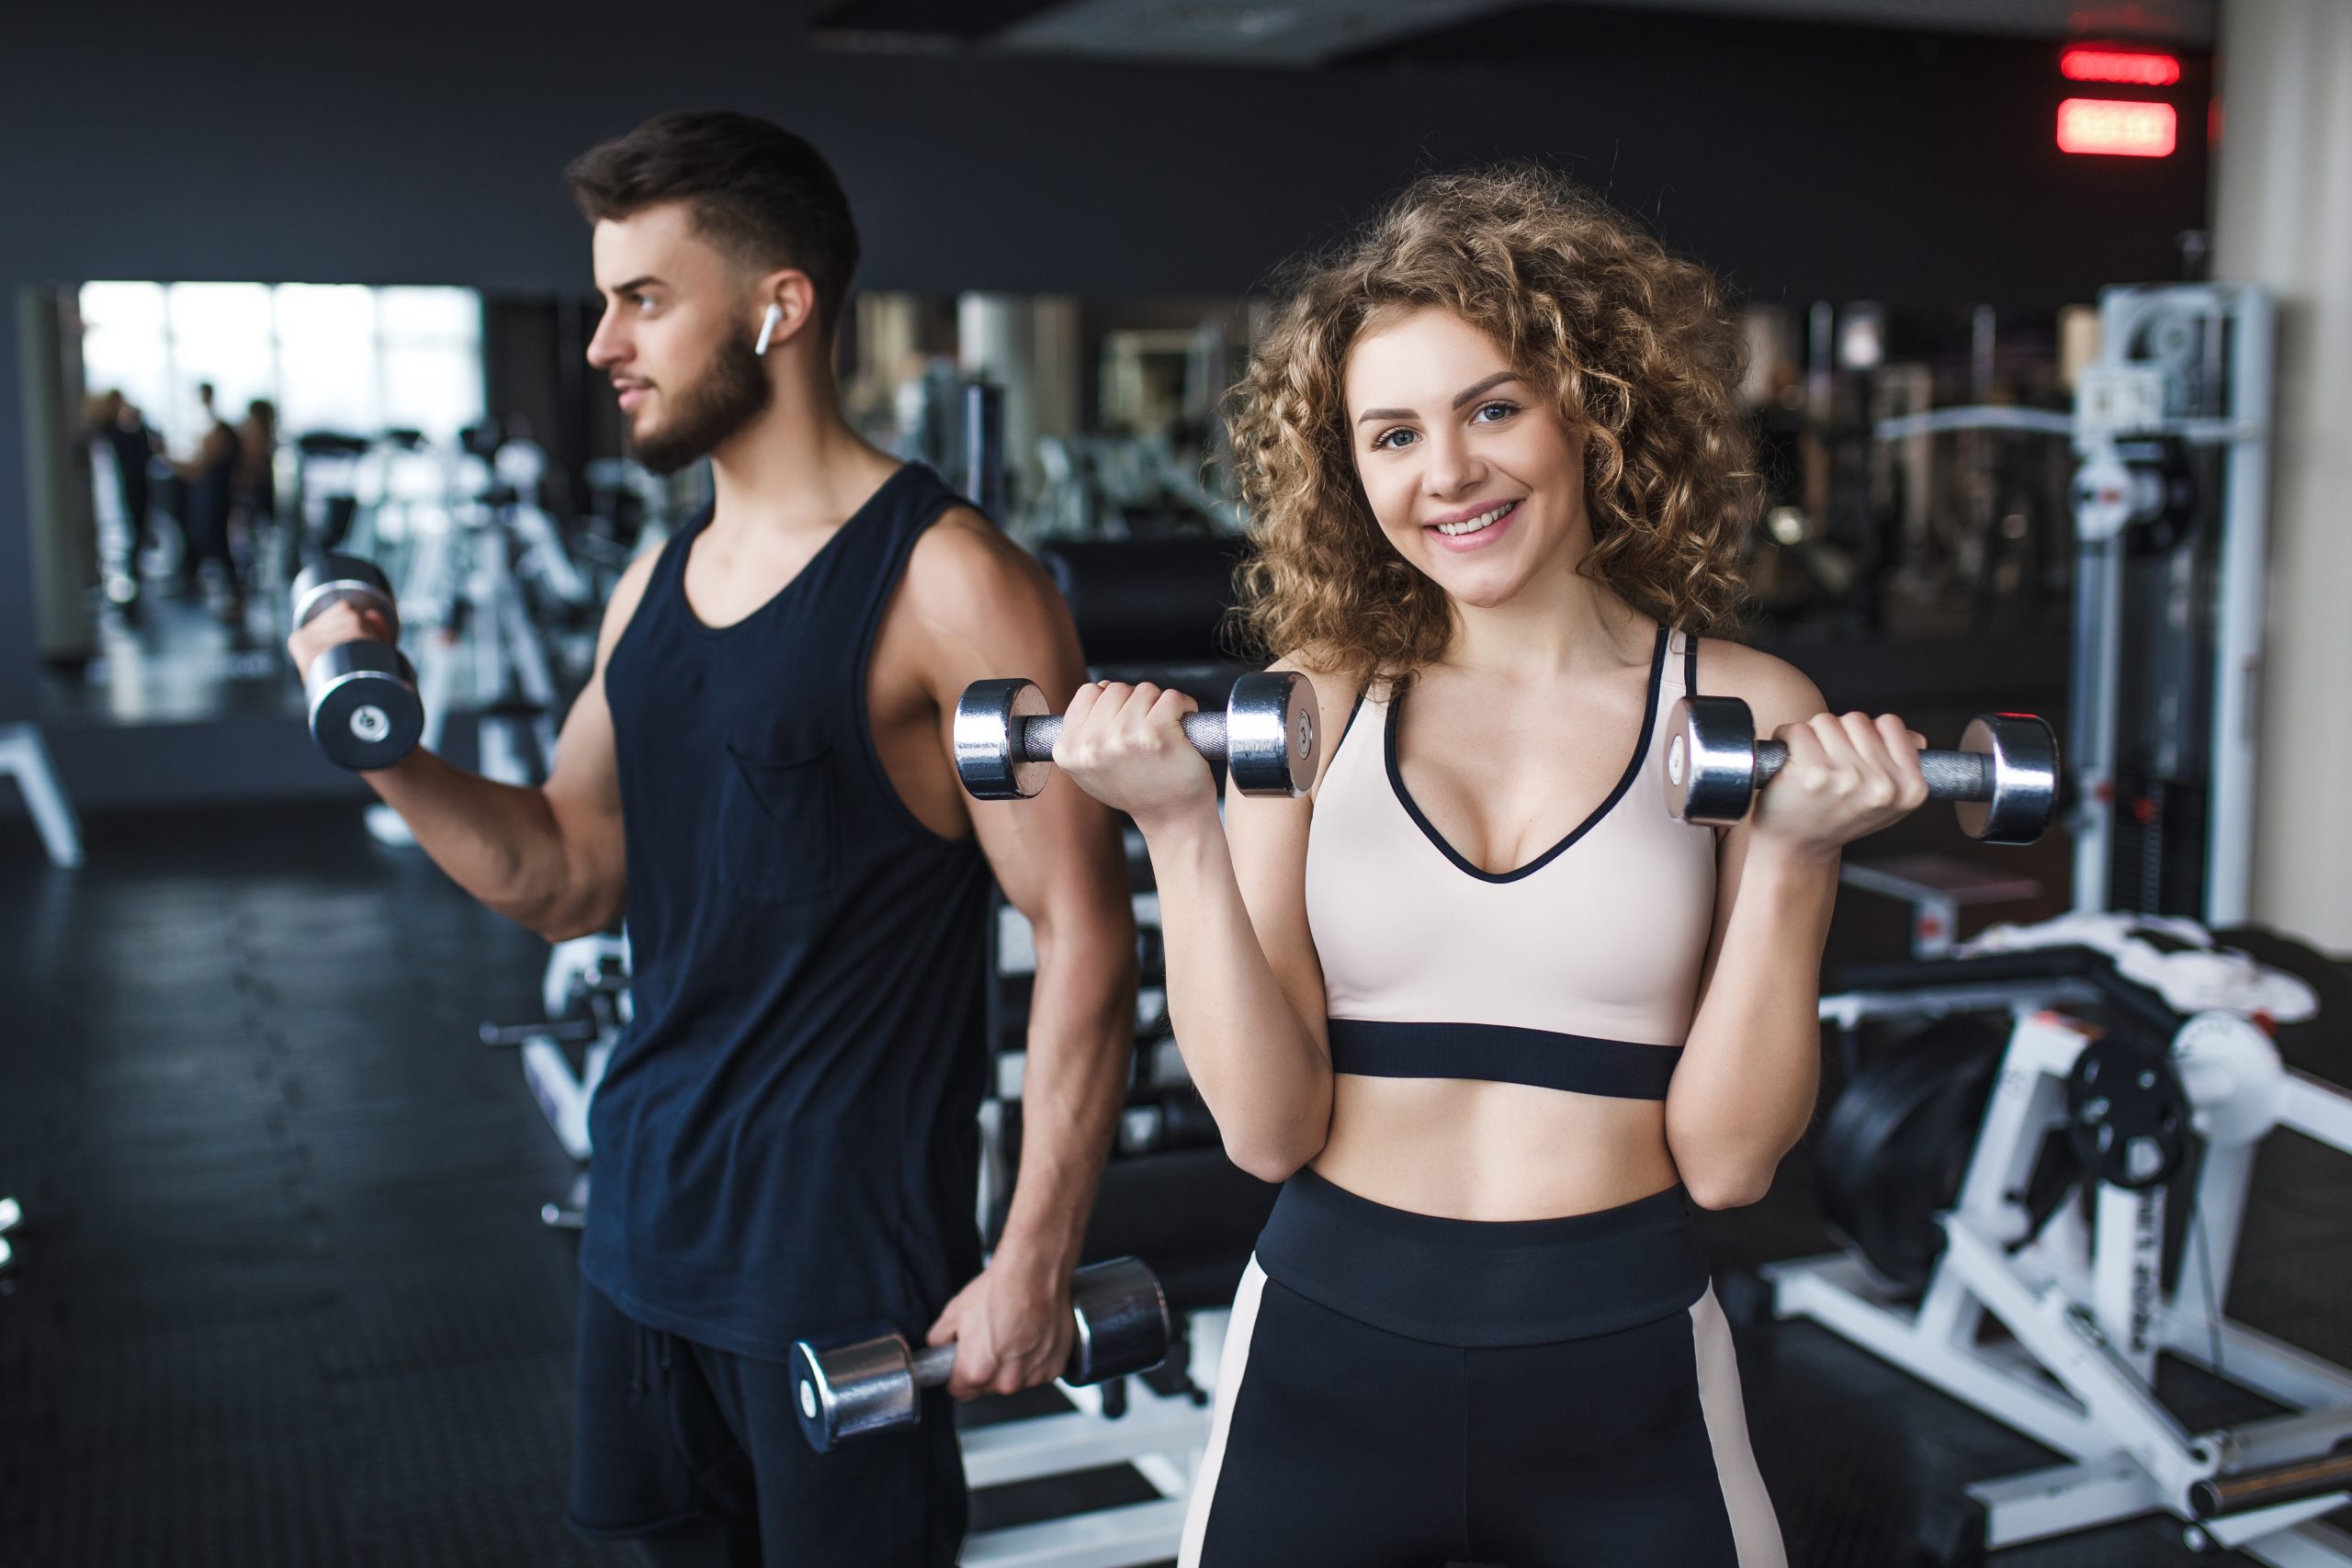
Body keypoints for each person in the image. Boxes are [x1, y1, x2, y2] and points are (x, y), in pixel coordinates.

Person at [286, 111, 1136, 1567]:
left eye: (645, 300)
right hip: (646, 1226)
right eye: (607, 299)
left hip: (838, 1265)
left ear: (779, 305)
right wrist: (379, 739)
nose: (606, 342)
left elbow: (1082, 926)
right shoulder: (652, 587)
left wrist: (1033, 1252)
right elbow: (565, 874)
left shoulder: (952, 583)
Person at [1051, 165, 1934, 1567]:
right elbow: (1269, 1131)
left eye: (1492, 409)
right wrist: (1175, 832)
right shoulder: (1315, 704)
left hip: (1626, 1354)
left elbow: (1728, 1159)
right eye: (1391, 433)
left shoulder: (1743, 712)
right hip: (1329, 1344)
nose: (1445, 473)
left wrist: (1794, 866)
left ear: (1594, 408)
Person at [174, 380, 244, 624]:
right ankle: (232, 595)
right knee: (217, 545)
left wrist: (167, 458)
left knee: (219, 546)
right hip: (214, 497)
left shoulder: (219, 432)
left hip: (215, 499)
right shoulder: (217, 430)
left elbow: (198, 469)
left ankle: (235, 596)